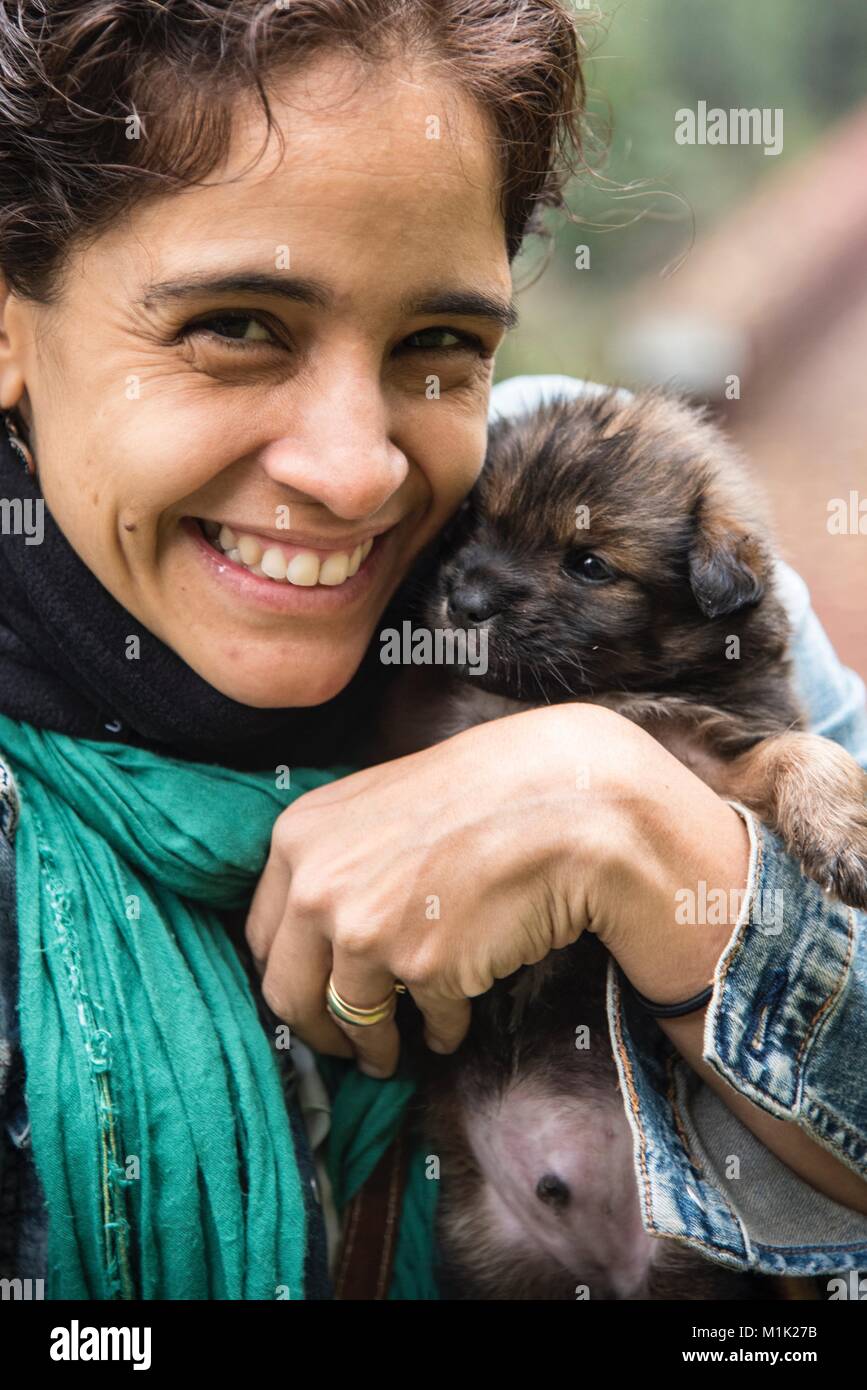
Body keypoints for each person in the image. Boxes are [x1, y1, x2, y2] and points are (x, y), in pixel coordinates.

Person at [0, 0, 865, 1301]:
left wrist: (640, 825)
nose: (355, 471)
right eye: (236, 325)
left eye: (440, 347)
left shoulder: (594, 511)